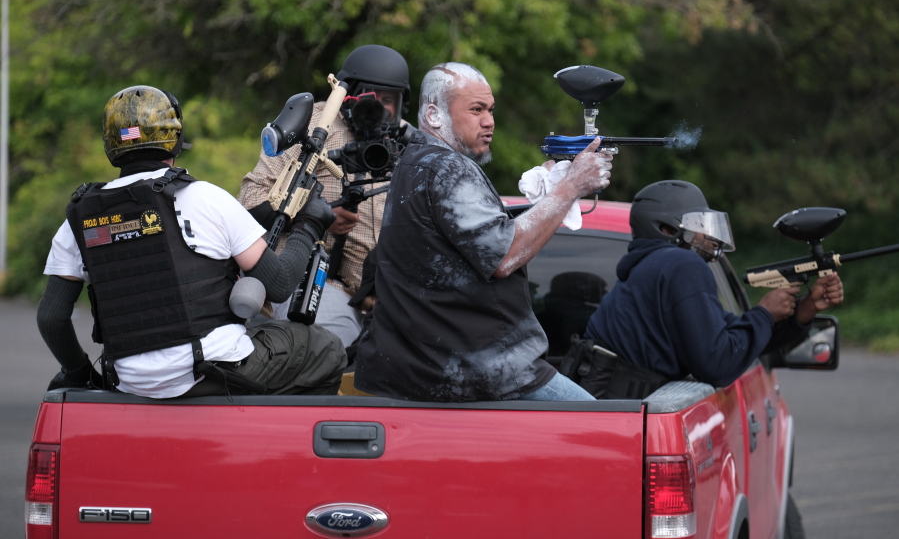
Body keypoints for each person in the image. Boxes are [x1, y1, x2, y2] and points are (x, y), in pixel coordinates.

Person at [36, 85, 347, 399]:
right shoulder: (205, 198)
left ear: (112, 146)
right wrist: (309, 224)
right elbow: (280, 283)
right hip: (211, 370)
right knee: (326, 349)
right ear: (174, 140)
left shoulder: (79, 218)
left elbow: (51, 317)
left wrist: (79, 373)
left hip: (128, 381)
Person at [353, 62, 615, 402]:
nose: (489, 120)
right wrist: (571, 186)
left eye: (490, 110)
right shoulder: (448, 167)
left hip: (423, 372)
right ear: (434, 115)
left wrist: (552, 193)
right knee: (602, 431)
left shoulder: (415, 160)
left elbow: (475, 235)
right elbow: (504, 255)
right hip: (485, 373)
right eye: (475, 110)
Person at [579, 179, 844, 397]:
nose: (710, 237)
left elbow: (730, 336)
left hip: (605, 399)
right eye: (699, 226)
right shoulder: (681, 264)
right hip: (618, 408)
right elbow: (717, 364)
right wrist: (764, 312)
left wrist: (805, 309)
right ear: (667, 229)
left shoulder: (653, 268)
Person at [238, 44, 413, 347]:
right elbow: (249, 198)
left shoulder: (410, 140)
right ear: (349, 96)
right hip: (313, 281)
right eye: (373, 100)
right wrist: (315, 214)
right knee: (326, 343)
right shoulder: (313, 127)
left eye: (390, 101)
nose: (381, 111)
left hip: (385, 294)